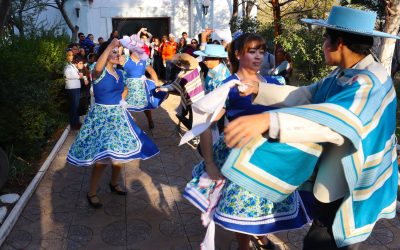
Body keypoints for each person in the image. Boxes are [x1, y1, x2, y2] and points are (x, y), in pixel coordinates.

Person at [223, 6, 399, 249]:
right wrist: (259, 90)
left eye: (325, 38)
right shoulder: (345, 74)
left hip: (352, 181)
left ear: (338, 43)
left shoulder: (369, 82)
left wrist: (268, 121)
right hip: (337, 174)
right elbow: (308, 95)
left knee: (326, 239)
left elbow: (333, 122)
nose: (323, 44)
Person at [183, 33, 313, 250]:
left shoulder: (274, 82)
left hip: (270, 156)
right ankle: (246, 245)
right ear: (237, 54)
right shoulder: (228, 87)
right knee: (241, 207)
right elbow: (205, 124)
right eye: (252, 51)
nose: (258, 56)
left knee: (265, 204)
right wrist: (210, 163)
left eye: (262, 51)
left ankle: (261, 238)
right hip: (239, 158)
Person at [67, 39, 159, 208]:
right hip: (102, 118)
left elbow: (125, 88)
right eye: (113, 52)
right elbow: (99, 68)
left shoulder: (120, 73)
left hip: (118, 116)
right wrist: (110, 45)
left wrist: (121, 100)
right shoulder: (97, 70)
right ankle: (92, 192)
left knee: (119, 155)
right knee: (103, 158)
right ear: (105, 53)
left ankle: (114, 183)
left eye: (118, 52)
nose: (117, 55)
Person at [119, 34, 168, 129]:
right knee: (125, 106)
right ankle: (127, 125)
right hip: (128, 88)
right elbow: (117, 56)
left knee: (146, 105)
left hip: (141, 87)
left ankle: (150, 120)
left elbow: (151, 71)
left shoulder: (145, 60)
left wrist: (157, 84)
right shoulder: (124, 59)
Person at [64, 55, 85, 130]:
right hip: (72, 89)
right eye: (80, 63)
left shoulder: (74, 68)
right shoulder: (69, 67)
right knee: (74, 107)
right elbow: (67, 75)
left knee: (75, 106)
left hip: (75, 88)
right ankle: (74, 124)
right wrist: (78, 76)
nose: (82, 65)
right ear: (76, 63)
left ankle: (76, 123)